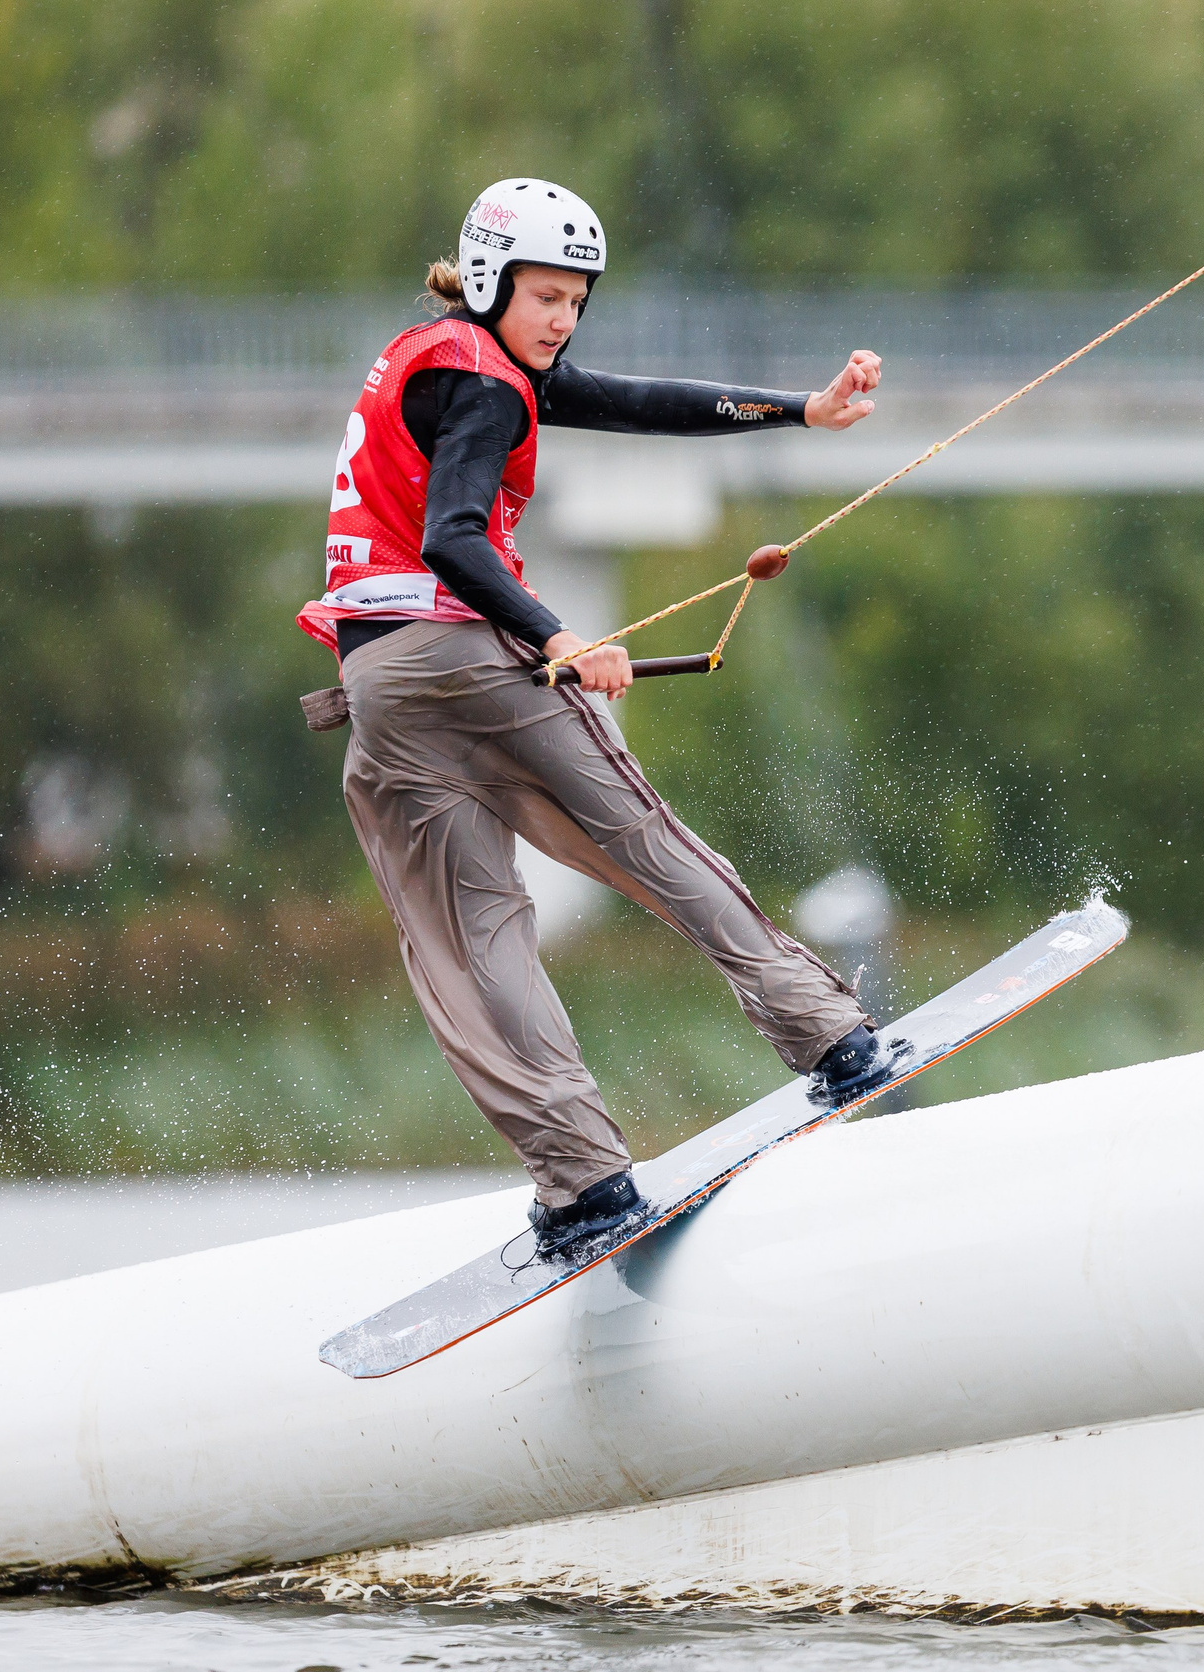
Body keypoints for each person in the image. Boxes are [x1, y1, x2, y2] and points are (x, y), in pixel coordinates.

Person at [298, 178, 898, 1261]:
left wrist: (797, 410)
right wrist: (561, 637)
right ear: (490, 280)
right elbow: (453, 537)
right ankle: (832, 1038)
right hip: (467, 657)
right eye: (545, 297)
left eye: (578, 301)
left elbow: (637, 401)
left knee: (474, 941)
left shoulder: (434, 358)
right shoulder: (485, 386)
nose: (563, 320)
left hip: (380, 688)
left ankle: (582, 1182)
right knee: (643, 839)